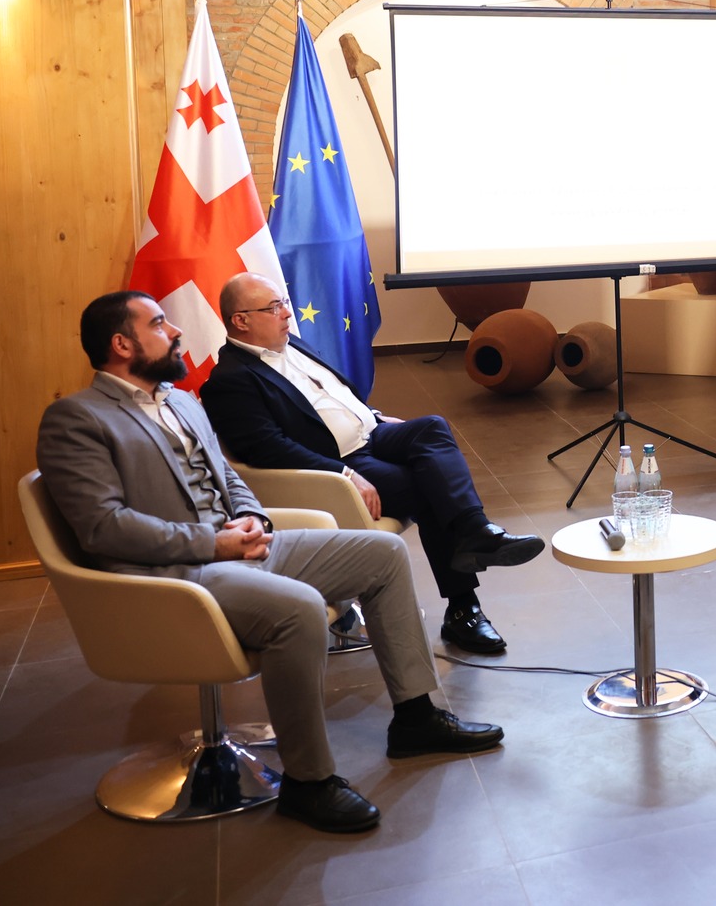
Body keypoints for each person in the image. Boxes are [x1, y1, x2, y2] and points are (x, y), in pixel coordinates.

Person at [37, 291, 505, 833]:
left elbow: (230, 476)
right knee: (301, 608)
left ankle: (416, 718)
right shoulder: (76, 419)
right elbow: (104, 527)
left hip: (240, 545)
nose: (177, 332)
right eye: (160, 324)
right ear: (122, 345)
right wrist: (213, 544)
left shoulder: (182, 402)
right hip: (176, 574)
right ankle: (309, 782)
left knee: (383, 553)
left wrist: (253, 519)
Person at [201, 272, 543, 657]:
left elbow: (332, 396)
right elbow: (268, 450)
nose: (287, 313)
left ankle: (475, 530)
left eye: (284, 302)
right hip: (339, 461)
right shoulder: (230, 381)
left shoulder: (289, 342)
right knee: (428, 486)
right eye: (274, 306)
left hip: (372, 434)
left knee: (431, 427)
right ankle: (464, 607)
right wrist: (344, 473)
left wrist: (374, 416)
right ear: (241, 320)